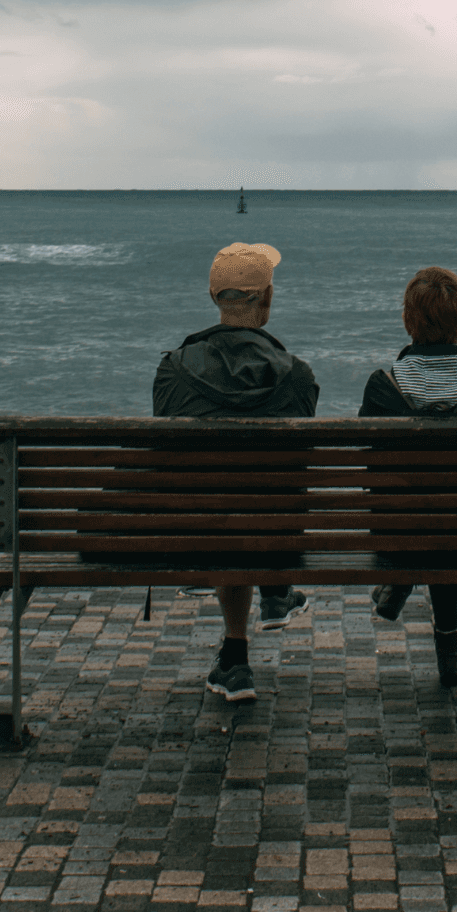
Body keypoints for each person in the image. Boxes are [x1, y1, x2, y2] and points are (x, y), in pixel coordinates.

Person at [153, 241, 317, 703]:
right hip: (275, 533)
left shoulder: (172, 372)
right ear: (266, 300)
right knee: (251, 503)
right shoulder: (298, 377)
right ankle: (275, 592)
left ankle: (236, 655)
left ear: (213, 298)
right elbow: (296, 468)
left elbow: (169, 461)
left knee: (223, 502)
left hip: (196, 531)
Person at [357, 266, 457, 687]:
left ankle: (405, 574)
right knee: (453, 508)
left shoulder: (381, 386)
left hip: (398, 533)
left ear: (409, 321)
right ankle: (449, 642)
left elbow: (369, 476)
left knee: (422, 508)